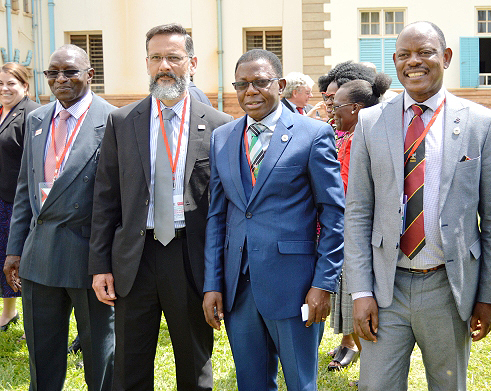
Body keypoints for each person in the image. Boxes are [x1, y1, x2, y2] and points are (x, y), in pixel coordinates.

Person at [344, 21, 491, 390]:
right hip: (387, 286)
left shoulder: (481, 122)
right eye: (403, 55)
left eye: (425, 52)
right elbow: (358, 213)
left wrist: (487, 296)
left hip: (448, 287)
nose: (413, 62)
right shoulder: (370, 122)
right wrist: (361, 292)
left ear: (446, 58)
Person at [88, 23, 233, 390]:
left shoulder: (219, 126)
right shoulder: (121, 121)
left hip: (189, 257)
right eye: (156, 58)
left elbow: (225, 208)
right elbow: (106, 198)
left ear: (192, 63)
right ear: (147, 63)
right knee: (129, 365)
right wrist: (100, 265)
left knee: (194, 364)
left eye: (173, 57)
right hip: (134, 258)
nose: (164, 65)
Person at [202, 49, 345, 391]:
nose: (250, 91)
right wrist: (213, 284)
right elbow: (217, 217)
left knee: (300, 382)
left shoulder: (312, 135)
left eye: (260, 82)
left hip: (294, 287)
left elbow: (333, 214)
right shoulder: (222, 137)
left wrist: (323, 284)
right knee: (251, 383)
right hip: (239, 289)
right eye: (242, 83)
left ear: (280, 85)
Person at [4, 45, 115, 391]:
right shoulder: (37, 119)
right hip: (39, 257)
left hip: (89, 259)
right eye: (52, 73)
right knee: (43, 353)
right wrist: (14, 250)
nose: (60, 79)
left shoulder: (114, 120)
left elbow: (120, 201)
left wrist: (107, 261)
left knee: (100, 354)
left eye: (70, 72)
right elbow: (25, 190)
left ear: (90, 75)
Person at [327, 78, 390, 372]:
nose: (331, 111)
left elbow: (352, 190)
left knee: (360, 306)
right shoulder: (352, 136)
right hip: (350, 233)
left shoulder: (359, 141)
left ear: (355, 108)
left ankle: (373, 373)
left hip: (359, 238)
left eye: (336, 105)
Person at [0, 63, 40, 332]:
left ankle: (33, 323)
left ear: (25, 86)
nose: (5, 88)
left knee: (23, 261)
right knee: (4, 259)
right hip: (1, 202)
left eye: (11, 83)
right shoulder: (2, 111)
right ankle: (9, 311)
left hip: (19, 203)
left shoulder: (33, 114)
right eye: (1, 83)